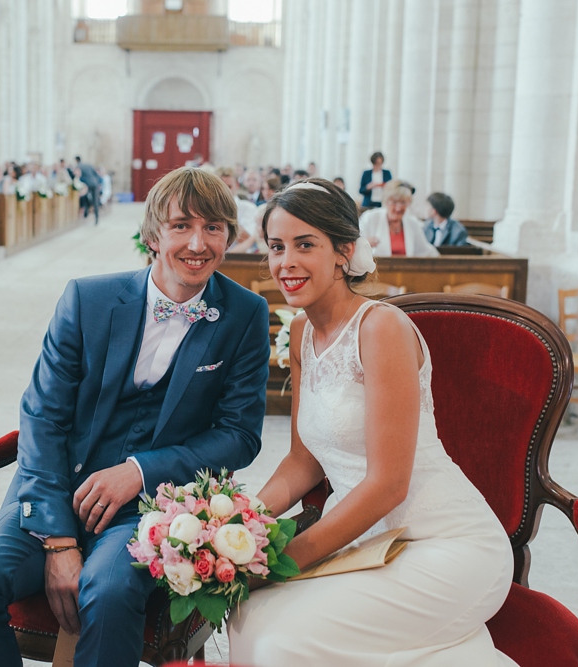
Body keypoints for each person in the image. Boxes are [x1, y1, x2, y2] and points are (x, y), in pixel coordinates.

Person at [0, 167, 270, 667]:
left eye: (214, 228)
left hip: (155, 505)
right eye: (181, 225)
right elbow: (42, 416)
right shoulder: (87, 299)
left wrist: (139, 470)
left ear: (230, 235)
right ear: (152, 235)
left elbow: (239, 435)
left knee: (109, 594)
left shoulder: (245, 314)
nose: (198, 243)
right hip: (57, 489)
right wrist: (58, 539)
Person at [228, 178, 516, 667]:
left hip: (444, 544)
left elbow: (387, 486)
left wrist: (282, 562)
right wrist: (236, 524)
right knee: (245, 613)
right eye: (276, 247)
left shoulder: (379, 327)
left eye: (305, 245)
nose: (285, 263)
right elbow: (303, 461)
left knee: (282, 645)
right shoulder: (300, 330)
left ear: (343, 252)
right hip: (371, 544)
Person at [359, 181, 438, 258]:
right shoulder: (370, 217)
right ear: (386, 201)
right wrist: (365, 243)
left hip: (405, 269)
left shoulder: (412, 222)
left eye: (403, 202)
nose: (398, 208)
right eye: (394, 202)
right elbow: (355, 246)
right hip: (376, 269)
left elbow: (425, 250)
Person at [73, 156, 102, 224]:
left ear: (76, 160)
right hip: (94, 183)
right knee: (95, 200)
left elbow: (78, 176)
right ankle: (97, 217)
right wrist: (98, 182)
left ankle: (86, 212)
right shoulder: (89, 165)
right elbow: (96, 174)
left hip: (87, 184)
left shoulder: (78, 166)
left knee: (84, 197)